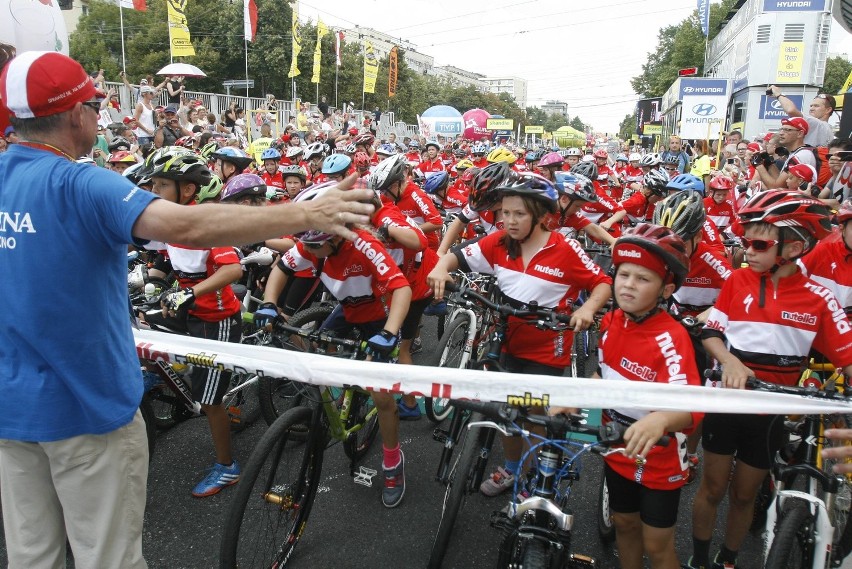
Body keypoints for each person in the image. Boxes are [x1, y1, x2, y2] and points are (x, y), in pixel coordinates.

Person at [0, 51, 375, 569]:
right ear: (72, 114)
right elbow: (187, 226)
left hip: (10, 411)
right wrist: (308, 212)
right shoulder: (82, 183)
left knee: (31, 557)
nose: (95, 112)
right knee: (107, 558)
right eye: (93, 103)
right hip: (86, 408)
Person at [687, 190, 852, 569]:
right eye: (745, 240)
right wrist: (729, 361)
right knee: (711, 488)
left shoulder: (819, 298)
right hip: (728, 400)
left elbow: (847, 356)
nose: (747, 249)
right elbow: (711, 333)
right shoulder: (738, 281)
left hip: (773, 408)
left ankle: (727, 560)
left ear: (793, 248)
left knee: (744, 495)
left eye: (758, 242)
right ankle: (697, 561)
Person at [427, 172, 612, 497]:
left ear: (541, 215)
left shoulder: (566, 249)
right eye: (505, 213)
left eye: (519, 214)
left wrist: (586, 310)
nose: (508, 221)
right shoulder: (499, 242)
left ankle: (537, 472)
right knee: (507, 414)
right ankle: (513, 470)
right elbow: (458, 256)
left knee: (535, 417)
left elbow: (602, 283)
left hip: (547, 350)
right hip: (506, 341)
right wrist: (440, 267)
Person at [256, 182, 413, 508]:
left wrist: (388, 333)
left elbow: (402, 289)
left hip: (377, 317)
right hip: (348, 309)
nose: (309, 253)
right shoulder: (315, 239)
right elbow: (283, 267)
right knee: (321, 354)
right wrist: (269, 303)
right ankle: (341, 397)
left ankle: (392, 462)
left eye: (316, 249)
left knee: (382, 397)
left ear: (339, 234)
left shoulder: (365, 244)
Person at [598, 223, 702, 569]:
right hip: (615, 445)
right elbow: (602, 374)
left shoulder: (672, 337)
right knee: (624, 524)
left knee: (657, 546)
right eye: (624, 274)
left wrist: (661, 417)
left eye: (643, 279)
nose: (628, 284)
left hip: (657, 457)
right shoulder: (611, 321)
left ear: (666, 288)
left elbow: (691, 409)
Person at [767, 85, 836, 147]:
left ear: (828, 110)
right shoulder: (828, 129)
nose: (811, 109)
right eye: (811, 106)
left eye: (816, 106)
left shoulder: (818, 125)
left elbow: (791, 110)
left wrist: (778, 94)